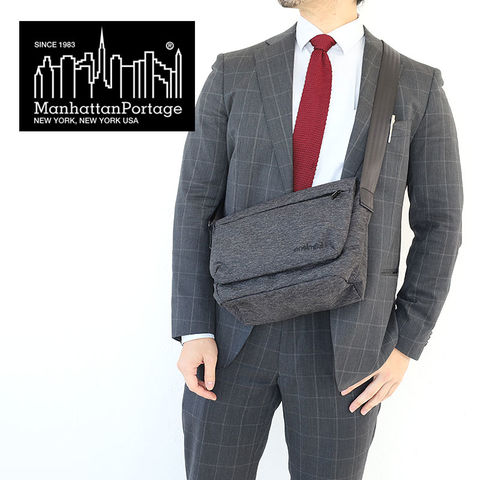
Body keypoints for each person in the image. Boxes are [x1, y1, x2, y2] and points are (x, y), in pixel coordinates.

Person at [171, 0, 463, 478]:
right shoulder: (235, 71)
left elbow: (441, 222)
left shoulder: (416, 84)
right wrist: (195, 329)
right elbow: (194, 203)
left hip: (347, 343)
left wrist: (406, 343)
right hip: (233, 332)